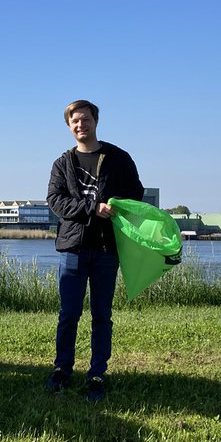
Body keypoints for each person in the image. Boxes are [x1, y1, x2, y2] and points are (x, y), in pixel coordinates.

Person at [45, 99, 143, 403]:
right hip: (73, 249)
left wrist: (117, 206)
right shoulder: (62, 163)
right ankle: (63, 369)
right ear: (69, 126)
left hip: (105, 249)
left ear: (95, 121)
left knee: (102, 315)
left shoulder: (118, 158)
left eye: (85, 119)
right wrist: (92, 207)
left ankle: (97, 374)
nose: (80, 125)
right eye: (74, 121)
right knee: (69, 314)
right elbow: (56, 202)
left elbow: (136, 193)